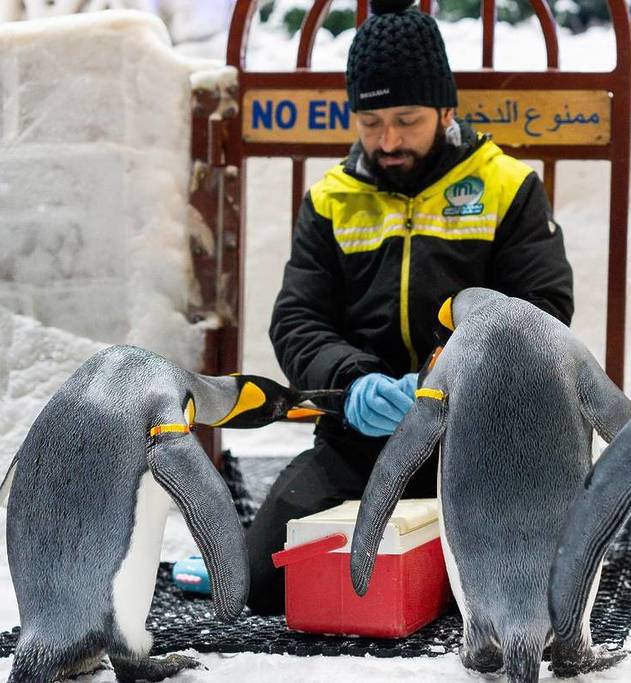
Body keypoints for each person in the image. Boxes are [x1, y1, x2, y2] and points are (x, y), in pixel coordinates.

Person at [244, 0, 574, 615]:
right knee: (259, 583)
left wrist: (437, 384)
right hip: (359, 441)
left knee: (516, 596)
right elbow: (297, 320)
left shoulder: (506, 187)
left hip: (476, 443)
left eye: (407, 119)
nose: (388, 140)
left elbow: (541, 312)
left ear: (446, 110)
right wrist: (353, 380)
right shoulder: (331, 199)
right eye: (370, 122)